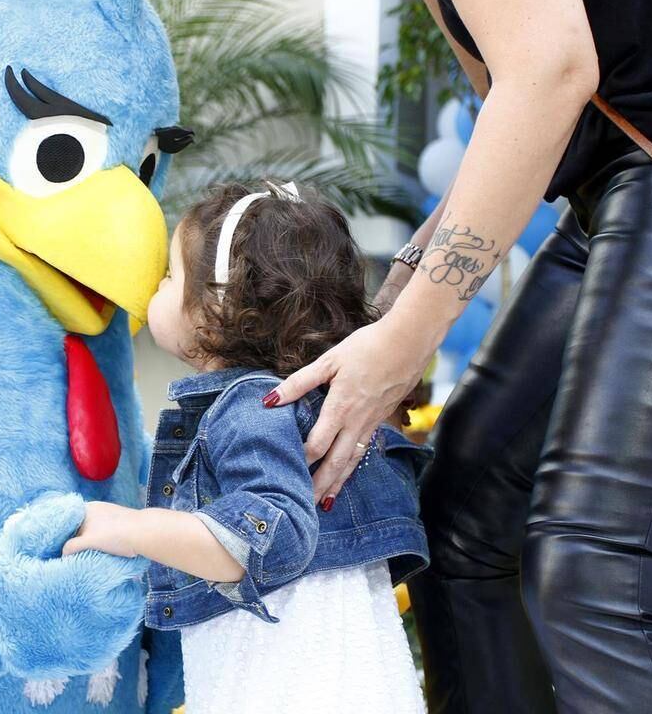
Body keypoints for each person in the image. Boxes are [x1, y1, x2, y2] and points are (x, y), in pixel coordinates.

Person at [265, 0, 652, 712]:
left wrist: (408, 337)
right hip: (631, 173)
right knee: (462, 517)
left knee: (600, 578)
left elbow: (551, 69)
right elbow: (511, 112)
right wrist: (395, 312)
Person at [64, 182, 429, 713]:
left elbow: (268, 536)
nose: (157, 288)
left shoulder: (250, 406)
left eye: (170, 276)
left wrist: (131, 529)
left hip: (289, 687)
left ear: (215, 305)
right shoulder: (331, 414)